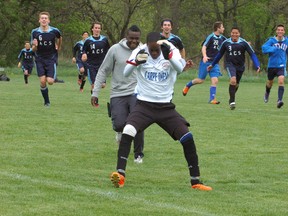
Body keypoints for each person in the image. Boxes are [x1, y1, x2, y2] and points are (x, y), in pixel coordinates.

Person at [103, 32, 212, 191]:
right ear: (147, 46)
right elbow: (125, 72)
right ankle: (120, 175)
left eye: (156, 51)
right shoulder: (140, 51)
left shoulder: (171, 49)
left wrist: (170, 58)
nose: (154, 54)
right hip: (143, 106)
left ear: (161, 47)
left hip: (165, 107)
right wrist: (136, 62)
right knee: (128, 130)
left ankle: (195, 181)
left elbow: (180, 69)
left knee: (187, 137)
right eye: (151, 50)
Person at [91, 25, 144, 163]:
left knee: (138, 122)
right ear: (126, 36)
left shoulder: (144, 50)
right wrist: (95, 92)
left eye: (137, 39)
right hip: (118, 92)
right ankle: (120, 132)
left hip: (137, 93)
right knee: (120, 124)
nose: (134, 41)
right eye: (131, 38)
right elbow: (103, 70)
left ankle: (138, 155)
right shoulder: (115, 49)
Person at [207, 27, 260, 110]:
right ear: (230, 33)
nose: (234, 34)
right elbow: (219, 55)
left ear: (239, 34)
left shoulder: (243, 43)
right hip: (230, 64)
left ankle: (231, 97)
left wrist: (257, 65)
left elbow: (252, 54)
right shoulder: (226, 43)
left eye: (236, 33)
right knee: (233, 80)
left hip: (240, 66)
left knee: (236, 84)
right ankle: (232, 101)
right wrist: (212, 64)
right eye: (233, 33)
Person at [183, 21, 226, 104]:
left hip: (214, 63)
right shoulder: (211, 37)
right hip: (206, 62)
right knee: (200, 80)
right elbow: (204, 47)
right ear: (218, 28)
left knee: (215, 80)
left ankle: (212, 99)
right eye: (222, 27)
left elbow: (229, 43)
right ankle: (188, 85)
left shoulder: (223, 38)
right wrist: (205, 56)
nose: (223, 28)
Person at [31, 11, 62, 107]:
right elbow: (33, 49)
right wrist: (35, 46)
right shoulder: (35, 32)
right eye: (42, 18)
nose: (44, 19)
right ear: (39, 20)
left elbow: (60, 37)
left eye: (45, 18)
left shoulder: (54, 31)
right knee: (43, 81)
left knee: (50, 81)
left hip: (51, 58)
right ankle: (46, 102)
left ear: (48, 20)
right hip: (39, 59)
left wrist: (58, 46)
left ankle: (47, 99)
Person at [262, 24, 288, 109]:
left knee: (281, 81)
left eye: (282, 30)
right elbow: (264, 48)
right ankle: (267, 92)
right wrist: (273, 49)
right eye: (278, 30)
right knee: (270, 82)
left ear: (284, 31)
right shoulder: (271, 40)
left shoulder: (286, 41)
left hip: (281, 65)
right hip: (271, 66)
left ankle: (279, 100)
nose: (280, 31)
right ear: (276, 31)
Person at [82, 22, 110, 93]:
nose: (97, 29)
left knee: (103, 85)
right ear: (92, 29)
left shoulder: (104, 40)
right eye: (96, 28)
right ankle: (94, 100)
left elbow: (109, 51)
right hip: (91, 66)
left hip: (102, 65)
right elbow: (83, 51)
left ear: (100, 30)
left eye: (99, 28)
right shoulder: (88, 41)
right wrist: (84, 54)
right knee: (94, 85)